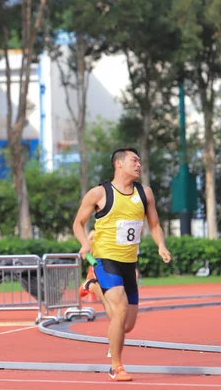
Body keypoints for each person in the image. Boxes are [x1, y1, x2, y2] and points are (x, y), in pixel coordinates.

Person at [73, 148, 172, 382]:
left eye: (140, 160)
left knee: (127, 325)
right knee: (119, 309)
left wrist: (161, 246)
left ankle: (93, 286)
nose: (139, 164)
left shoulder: (145, 193)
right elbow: (78, 223)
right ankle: (116, 367)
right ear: (118, 164)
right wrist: (84, 244)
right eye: (134, 160)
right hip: (105, 259)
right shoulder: (99, 193)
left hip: (129, 263)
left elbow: (155, 224)